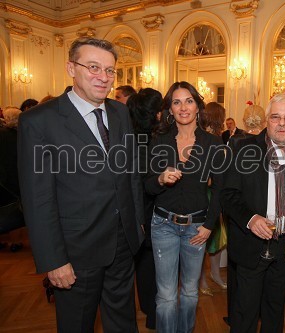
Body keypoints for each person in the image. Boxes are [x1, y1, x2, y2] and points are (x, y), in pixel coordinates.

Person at [17, 37, 145, 332]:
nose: (104, 77)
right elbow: (38, 199)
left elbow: (130, 174)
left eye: (110, 70)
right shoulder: (38, 121)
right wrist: (54, 259)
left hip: (123, 242)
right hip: (75, 252)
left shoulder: (120, 112)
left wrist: (137, 222)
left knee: (123, 322)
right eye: (93, 67)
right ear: (70, 68)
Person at [221, 93, 285, 333]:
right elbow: (228, 195)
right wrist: (250, 219)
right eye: (276, 117)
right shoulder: (245, 149)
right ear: (267, 120)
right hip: (252, 243)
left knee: (275, 307)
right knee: (245, 310)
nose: (282, 123)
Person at [145, 81, 225, 333]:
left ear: (198, 107)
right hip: (163, 225)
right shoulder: (158, 140)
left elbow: (221, 189)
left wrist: (209, 225)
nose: (183, 107)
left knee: (190, 292)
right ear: (169, 109)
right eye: (176, 102)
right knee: (167, 295)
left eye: (188, 101)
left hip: (196, 228)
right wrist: (159, 179)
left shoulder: (213, 143)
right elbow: (146, 186)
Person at [127, 87, 163, 330]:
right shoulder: (154, 141)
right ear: (157, 113)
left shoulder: (127, 137)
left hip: (133, 209)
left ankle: (144, 307)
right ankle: (152, 313)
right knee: (153, 261)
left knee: (141, 261)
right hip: (151, 208)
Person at [199, 102, 228, 296]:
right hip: (205, 194)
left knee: (217, 239)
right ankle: (201, 280)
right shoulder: (203, 138)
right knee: (202, 239)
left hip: (219, 194)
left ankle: (215, 274)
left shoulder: (219, 137)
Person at [0, 106, 25, 252]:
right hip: (14, 177)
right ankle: (16, 241)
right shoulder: (20, 135)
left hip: (4, 179)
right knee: (15, 209)